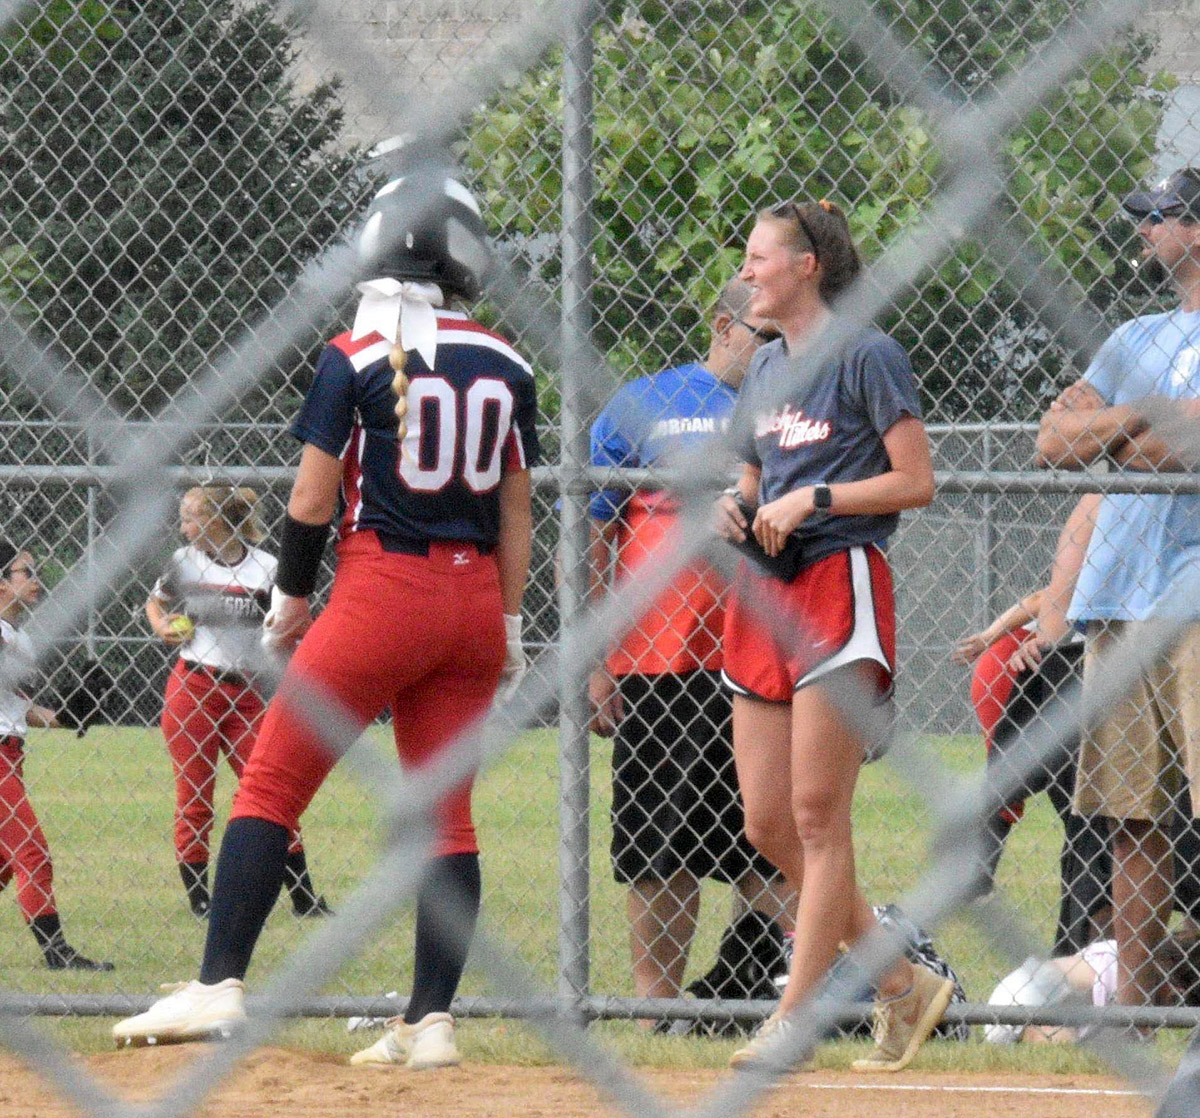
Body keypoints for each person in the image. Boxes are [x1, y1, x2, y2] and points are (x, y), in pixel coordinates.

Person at [113, 156, 537, 1070]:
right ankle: (430, 1022)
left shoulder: (354, 353)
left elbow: (310, 500)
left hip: (384, 590)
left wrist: (293, 599)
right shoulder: (509, 360)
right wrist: (506, 626)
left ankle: (220, 982)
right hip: (473, 599)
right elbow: (515, 510)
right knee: (446, 816)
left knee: (270, 785)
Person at [713, 198, 947, 1073]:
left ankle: (793, 1022)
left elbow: (915, 481)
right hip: (764, 590)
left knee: (817, 815)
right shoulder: (766, 365)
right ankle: (900, 983)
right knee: (768, 823)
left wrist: (816, 498)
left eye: (759, 256)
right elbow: (752, 474)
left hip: (837, 583)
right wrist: (736, 505)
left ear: (807, 265)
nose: (746, 272)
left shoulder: (865, 354)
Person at [587, 278, 796, 1022]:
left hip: (762, 654)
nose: (775, 352)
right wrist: (596, 659)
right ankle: (657, 1008)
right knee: (659, 846)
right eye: (764, 337)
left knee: (767, 837)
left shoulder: (793, 408)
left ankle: (761, 994)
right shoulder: (646, 402)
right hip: (659, 660)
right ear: (723, 326)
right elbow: (595, 530)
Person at [1035, 166, 1200, 1016]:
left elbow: (1187, 448)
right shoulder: (1133, 336)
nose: (1144, 229)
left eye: (1160, 216)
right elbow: (1051, 442)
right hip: (1121, 598)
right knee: (1132, 820)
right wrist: (1141, 415)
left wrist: (1112, 431)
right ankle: (1133, 1009)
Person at [146, 485, 330, 919]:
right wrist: (162, 625)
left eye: (190, 518)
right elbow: (156, 602)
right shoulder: (184, 561)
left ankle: (303, 897)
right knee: (195, 797)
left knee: (272, 793)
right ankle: (201, 900)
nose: (183, 527)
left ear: (215, 520)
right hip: (193, 687)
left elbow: (286, 625)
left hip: (247, 694)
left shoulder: (266, 568)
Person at [953, 494, 1112, 955]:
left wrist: (999, 635)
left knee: (1050, 802)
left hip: (1041, 671)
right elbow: (1042, 599)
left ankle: (979, 870)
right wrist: (999, 636)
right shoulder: (1090, 542)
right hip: (1030, 670)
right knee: (1077, 816)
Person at [0, 540, 113, 970]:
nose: (36, 579)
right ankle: (57, 953)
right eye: (25, 572)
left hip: (12, 755)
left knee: (6, 861)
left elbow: (19, 707)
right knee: (31, 852)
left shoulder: (21, 639)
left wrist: (68, 716)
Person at [984, 925, 1200, 1044]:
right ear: (1176, 992)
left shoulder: (1127, 952)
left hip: (1014, 991)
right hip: (1030, 1005)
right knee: (1067, 1046)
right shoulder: (1133, 977)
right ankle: (1032, 1033)